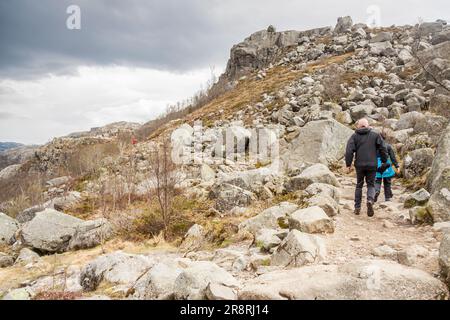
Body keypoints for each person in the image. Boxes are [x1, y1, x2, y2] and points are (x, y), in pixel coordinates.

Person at [345, 118, 388, 217]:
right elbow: (383, 147)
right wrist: (384, 160)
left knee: (359, 185)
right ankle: (370, 200)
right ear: (368, 126)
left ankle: (357, 207)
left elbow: (349, 151)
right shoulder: (375, 135)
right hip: (372, 165)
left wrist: (348, 164)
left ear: (358, 126)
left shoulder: (354, 136)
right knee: (371, 185)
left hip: (359, 165)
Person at [374, 130, 399, 202]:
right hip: (386, 164)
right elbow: (392, 157)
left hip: (376, 165)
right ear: (385, 138)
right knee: (387, 182)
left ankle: (376, 191)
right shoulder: (388, 146)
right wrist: (397, 166)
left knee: (377, 181)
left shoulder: (374, 146)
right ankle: (387, 197)